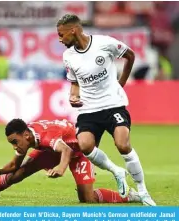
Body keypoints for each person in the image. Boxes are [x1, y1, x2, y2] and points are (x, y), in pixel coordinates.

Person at [56, 14, 155, 205]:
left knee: (123, 145)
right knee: (85, 146)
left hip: (113, 105)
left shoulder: (104, 43)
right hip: (89, 109)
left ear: (73, 30)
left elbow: (130, 55)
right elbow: (74, 82)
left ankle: (143, 192)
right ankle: (117, 171)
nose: (60, 39)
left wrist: (121, 83)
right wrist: (73, 95)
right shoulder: (68, 56)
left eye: (61, 35)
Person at [0, 119, 141, 204]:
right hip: (52, 152)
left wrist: (61, 167)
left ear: (26, 135)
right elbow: (13, 166)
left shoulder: (44, 136)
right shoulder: (27, 139)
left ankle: (130, 196)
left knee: (87, 199)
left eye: (15, 142)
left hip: (77, 151)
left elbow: (66, 150)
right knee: (16, 175)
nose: (15, 147)